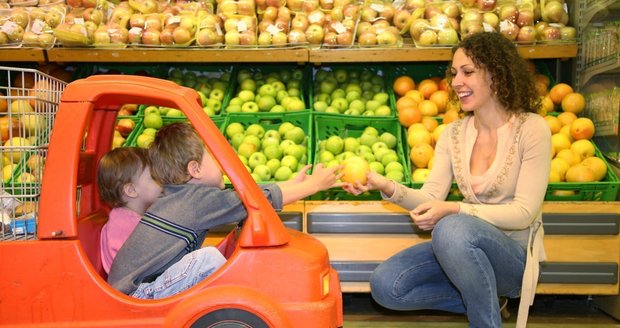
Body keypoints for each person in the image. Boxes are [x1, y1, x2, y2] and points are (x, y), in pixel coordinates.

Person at [343, 31, 551, 328]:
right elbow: (431, 198)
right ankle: (487, 298)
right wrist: (385, 185)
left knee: (451, 227)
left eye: (468, 72)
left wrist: (455, 209)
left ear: (497, 76)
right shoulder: (453, 134)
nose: (456, 82)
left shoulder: (532, 129)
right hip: (461, 250)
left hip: (514, 260)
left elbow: (523, 214)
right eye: (454, 73)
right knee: (387, 286)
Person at [107, 122, 343, 299]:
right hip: (136, 295)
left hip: (135, 289)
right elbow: (256, 201)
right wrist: (313, 186)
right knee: (207, 258)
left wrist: (293, 184)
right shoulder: (195, 202)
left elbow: (248, 193)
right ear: (195, 169)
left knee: (210, 259)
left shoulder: (179, 196)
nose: (220, 164)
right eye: (213, 157)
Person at [98, 147, 163, 275]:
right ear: (131, 190)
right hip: (138, 289)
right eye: (154, 177)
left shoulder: (122, 217)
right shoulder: (128, 225)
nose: (161, 181)